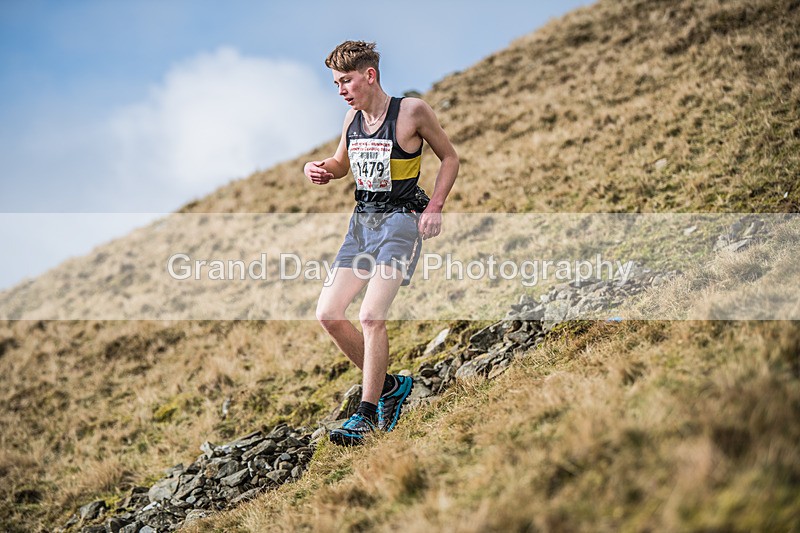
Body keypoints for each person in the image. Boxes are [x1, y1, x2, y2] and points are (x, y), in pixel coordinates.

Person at [304, 40, 459, 446]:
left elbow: (450, 158)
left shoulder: (411, 112)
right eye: (336, 83)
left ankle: (367, 414)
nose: (340, 90)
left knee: (372, 316)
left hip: (400, 223)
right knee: (329, 314)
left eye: (346, 81)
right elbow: (341, 165)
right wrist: (320, 169)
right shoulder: (351, 119)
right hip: (362, 226)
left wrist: (436, 206)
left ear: (369, 75)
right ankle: (390, 386)